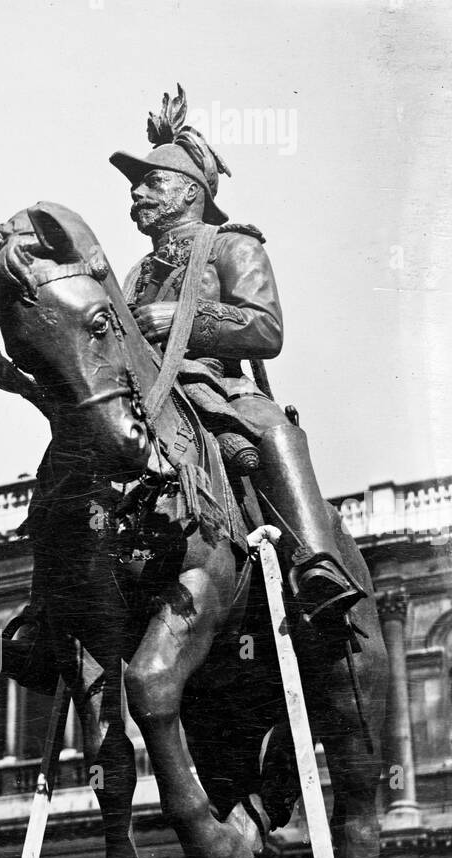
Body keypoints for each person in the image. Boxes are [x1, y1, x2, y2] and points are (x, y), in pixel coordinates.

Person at [108, 84, 366, 640]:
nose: (137, 197)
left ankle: (318, 562)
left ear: (192, 191)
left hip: (214, 390)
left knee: (276, 432)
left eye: (151, 184)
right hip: (145, 400)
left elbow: (266, 328)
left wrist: (184, 317)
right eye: (135, 188)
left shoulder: (233, 246)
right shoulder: (133, 275)